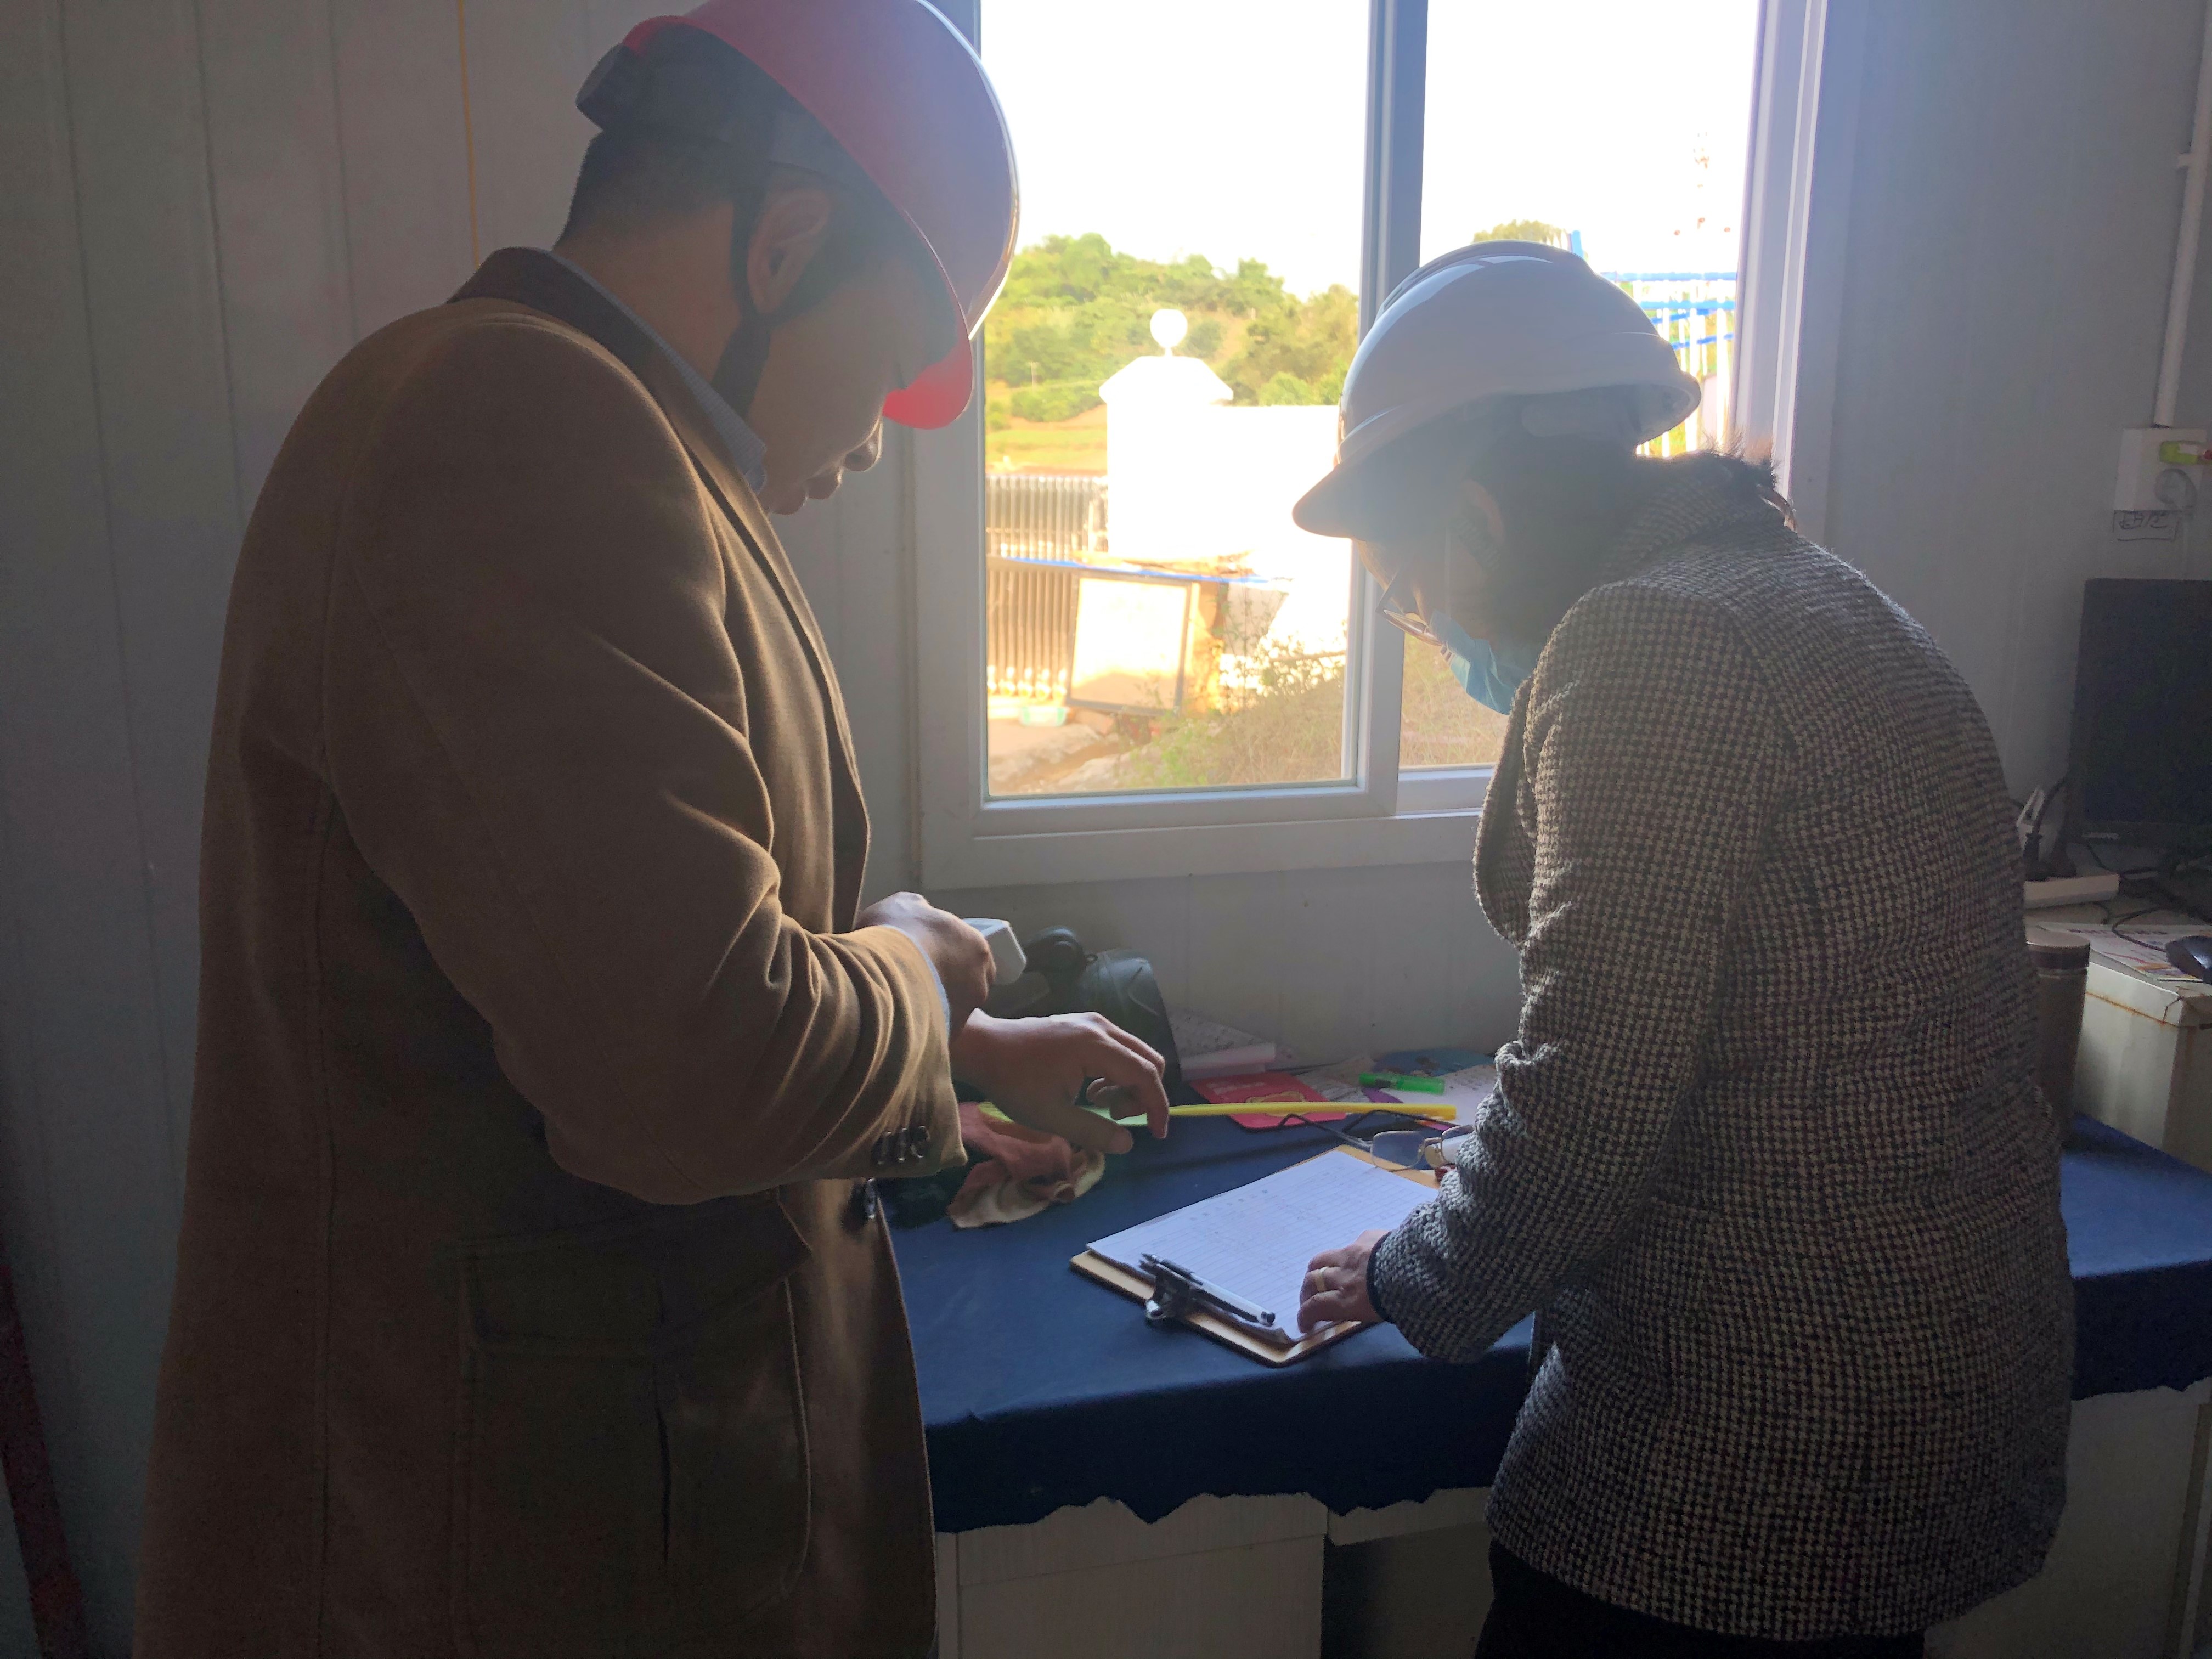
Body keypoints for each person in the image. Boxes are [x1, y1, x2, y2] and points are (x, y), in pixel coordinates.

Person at [133, 5, 1167, 1655]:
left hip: (600, 1512)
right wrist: (917, 967)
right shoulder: (518, 424)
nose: (882, 432)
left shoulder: (595, 434)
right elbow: (693, 1069)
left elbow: (615, 969)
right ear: (785, 245)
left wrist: (954, 1058)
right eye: (891, 361)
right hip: (497, 1553)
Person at [1291, 244, 2072, 1657]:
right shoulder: (1826, 598)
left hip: (1752, 1440)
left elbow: (1591, 1093)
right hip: (1933, 1366)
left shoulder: (1650, 644)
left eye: (1408, 591)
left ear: (1476, 517)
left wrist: (1409, 1273)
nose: (1425, 622)